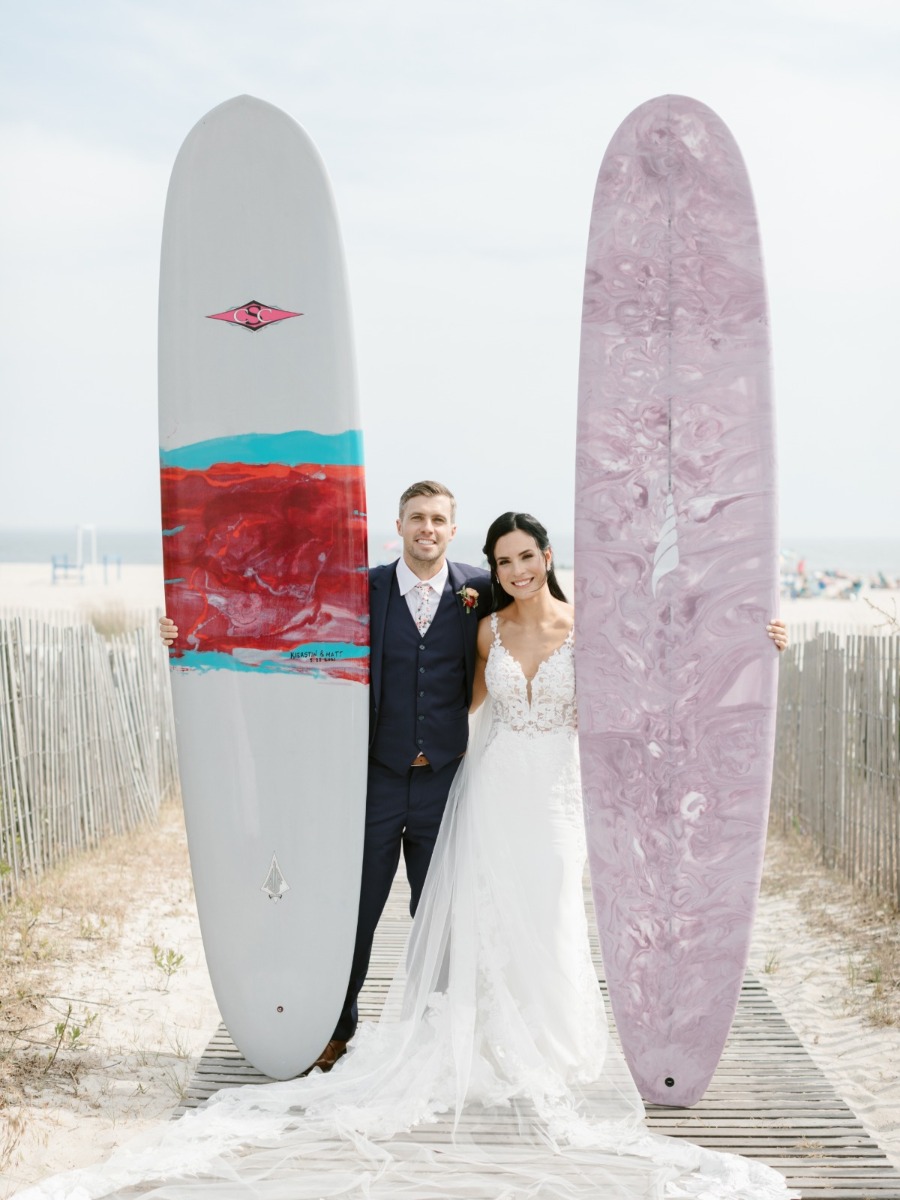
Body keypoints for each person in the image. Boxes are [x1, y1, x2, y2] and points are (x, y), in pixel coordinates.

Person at [27, 512, 793, 1199]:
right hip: (466, 789)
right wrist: (194, 627)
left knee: (549, 911)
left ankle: (541, 1045)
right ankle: (374, 1030)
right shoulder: (474, 623)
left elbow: (656, 674)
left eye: (524, 558)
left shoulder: (563, 624)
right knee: (431, 911)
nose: (515, 572)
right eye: (504, 562)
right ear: (422, 535)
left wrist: (752, 642)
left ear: (545, 556)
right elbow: (320, 632)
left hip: (547, 797)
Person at [159, 480, 492, 1074]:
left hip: (445, 782)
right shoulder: (364, 587)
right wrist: (190, 630)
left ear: (453, 526)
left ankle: (446, 1034)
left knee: (442, 914)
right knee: (352, 912)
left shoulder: (479, 589)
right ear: (400, 523)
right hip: (375, 782)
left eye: (439, 519)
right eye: (417, 518)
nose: (428, 529)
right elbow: (285, 618)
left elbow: (535, 617)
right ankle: (334, 1028)